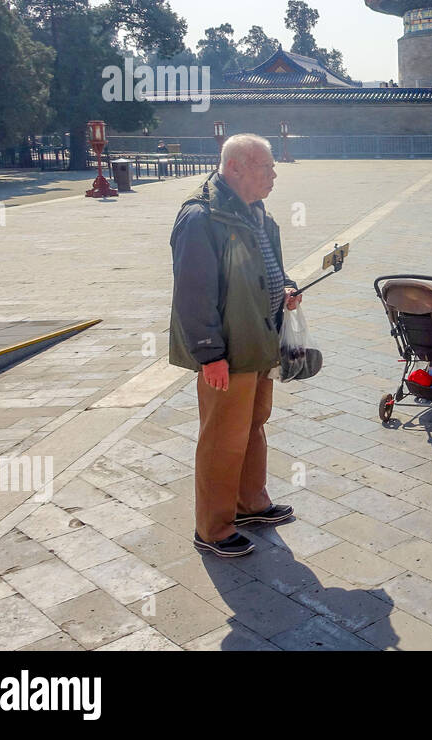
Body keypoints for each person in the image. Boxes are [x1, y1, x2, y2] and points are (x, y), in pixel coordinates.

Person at [170, 134, 297, 558]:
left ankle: (249, 504)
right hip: (228, 348)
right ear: (237, 167)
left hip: (260, 337)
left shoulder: (253, 211)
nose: (274, 173)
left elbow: (267, 268)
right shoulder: (202, 218)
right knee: (222, 437)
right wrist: (210, 354)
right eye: (266, 166)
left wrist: (288, 287)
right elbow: (194, 293)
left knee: (253, 425)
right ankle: (213, 528)